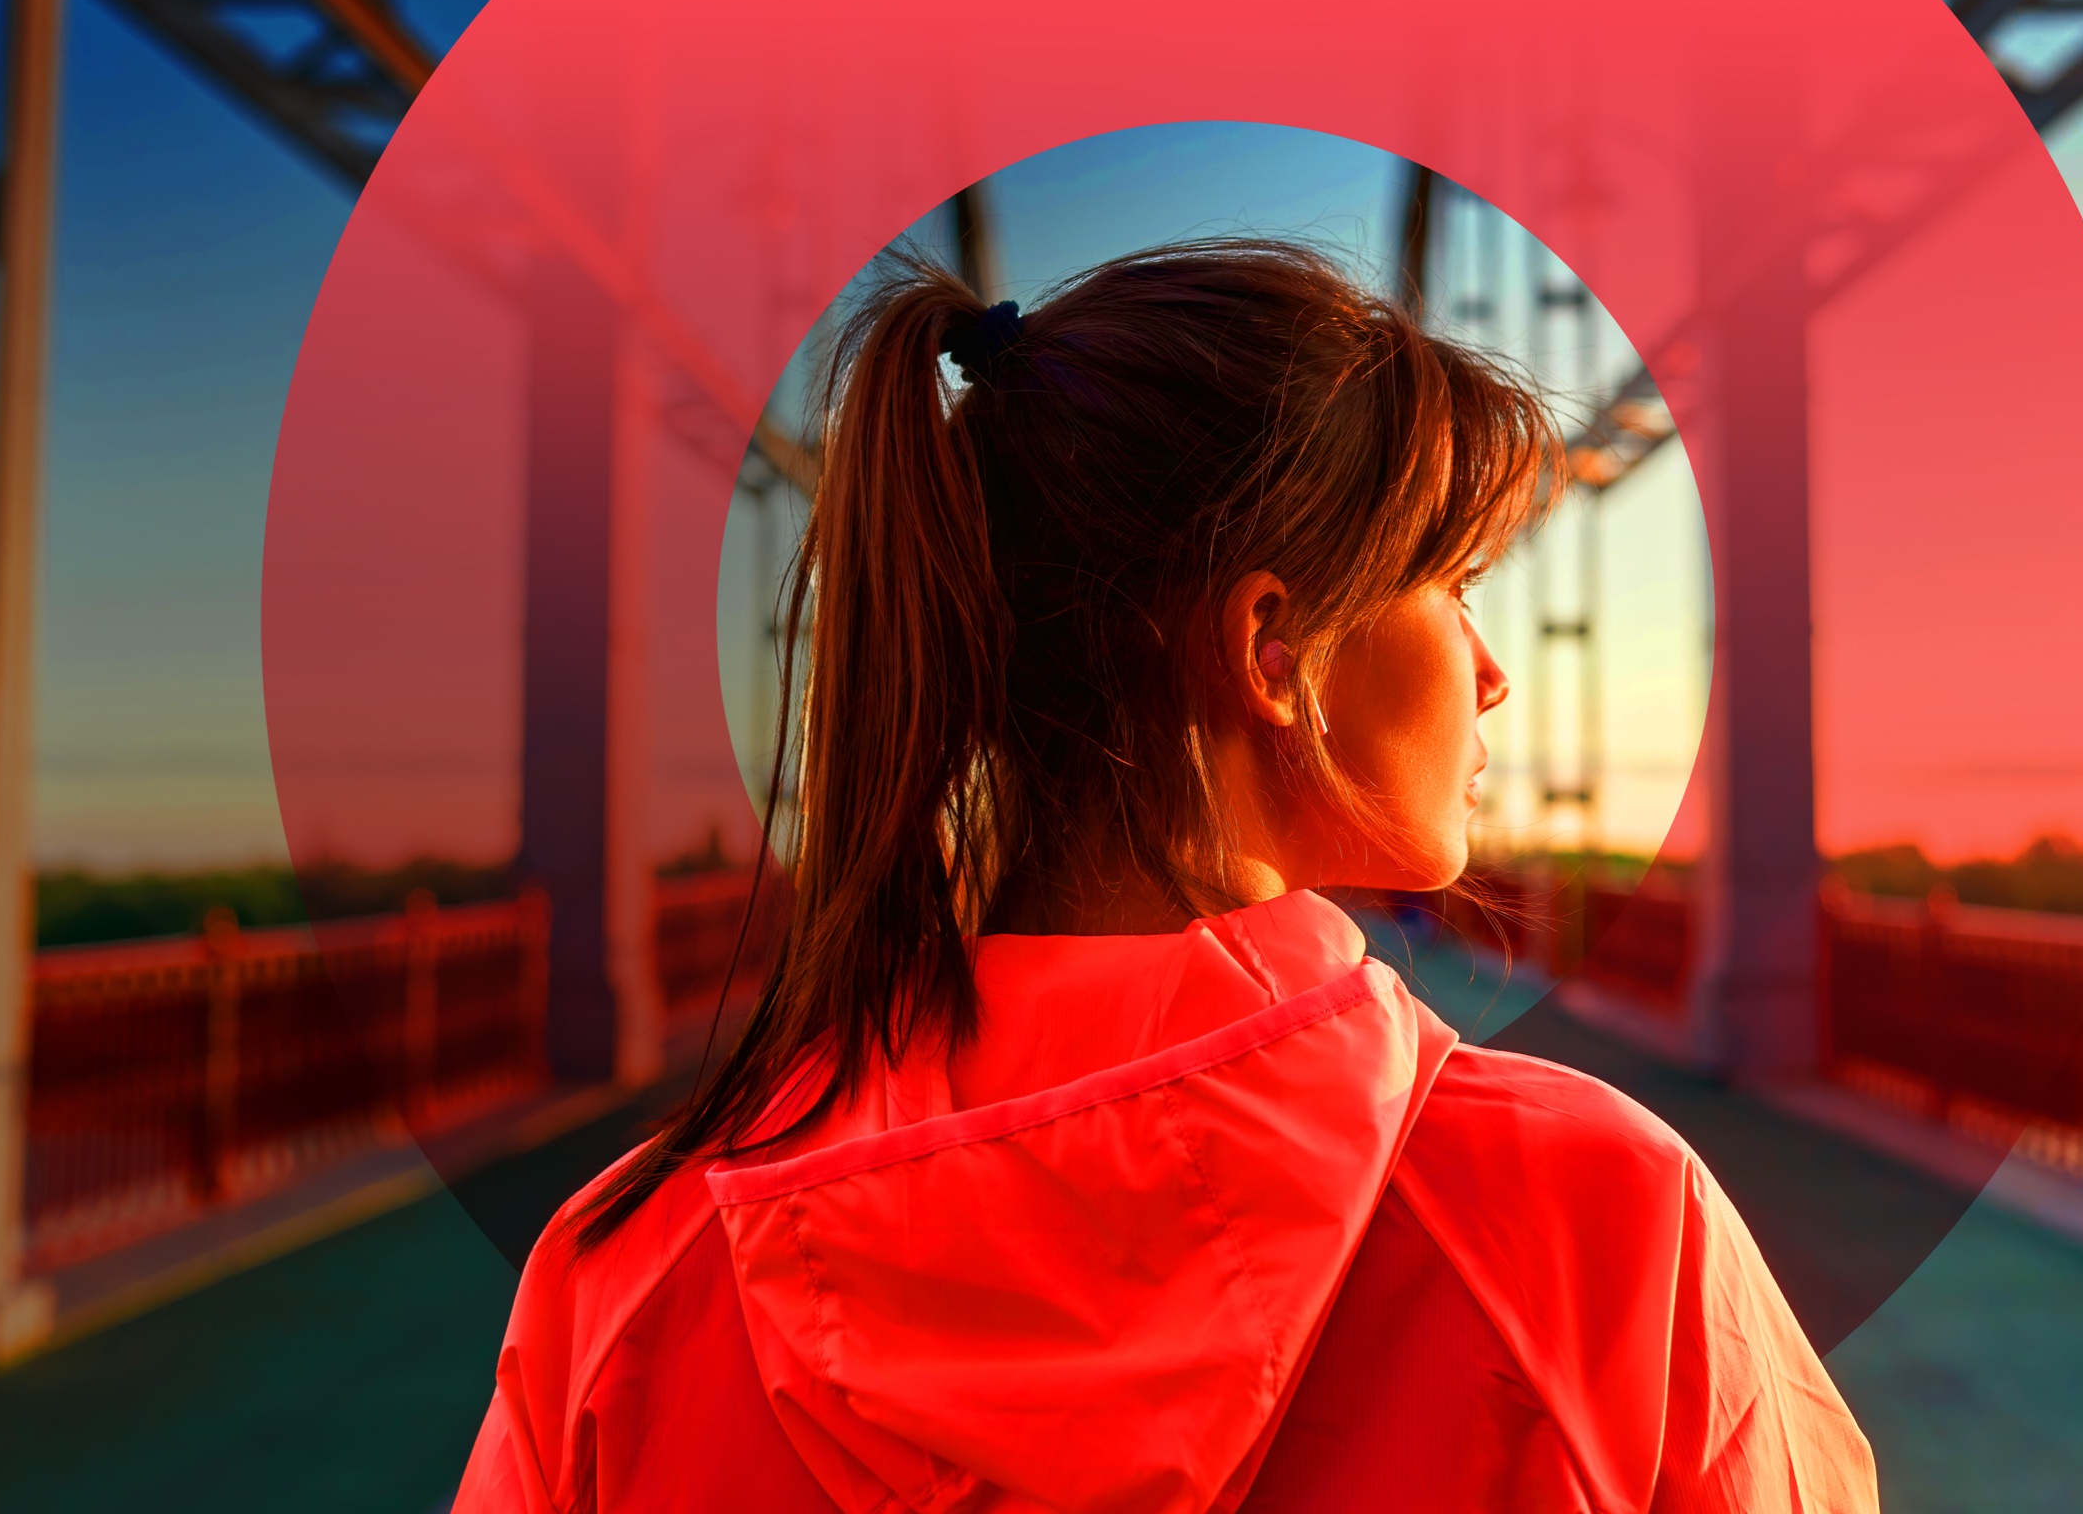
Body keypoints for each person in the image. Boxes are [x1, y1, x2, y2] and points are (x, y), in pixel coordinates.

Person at [452, 240, 1877, 1513]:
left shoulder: (623, 1282)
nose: (1492, 674)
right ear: (1274, 649)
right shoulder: (1599, 1228)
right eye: (1450, 586)